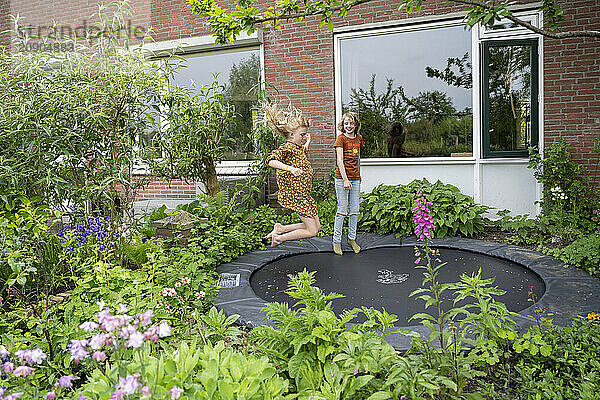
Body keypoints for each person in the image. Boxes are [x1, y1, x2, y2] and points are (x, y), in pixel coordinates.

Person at [264, 103, 321, 246]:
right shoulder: (287, 147)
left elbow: (302, 154)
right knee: (312, 231)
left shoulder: (297, 148)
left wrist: (307, 142)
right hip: (297, 196)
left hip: (304, 195)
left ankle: (281, 229)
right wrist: (289, 168)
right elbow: (270, 161)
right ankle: (278, 238)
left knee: (316, 227)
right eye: (302, 135)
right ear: (291, 134)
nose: (304, 137)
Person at [332, 112, 363, 255]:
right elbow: (339, 161)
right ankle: (336, 241)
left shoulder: (359, 139)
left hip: (355, 178)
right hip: (342, 178)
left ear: (355, 124)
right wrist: (345, 179)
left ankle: (352, 239)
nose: (349, 126)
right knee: (342, 210)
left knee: (355, 210)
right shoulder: (341, 139)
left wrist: (357, 176)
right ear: (343, 125)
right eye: (346, 123)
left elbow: (357, 158)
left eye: (351, 123)